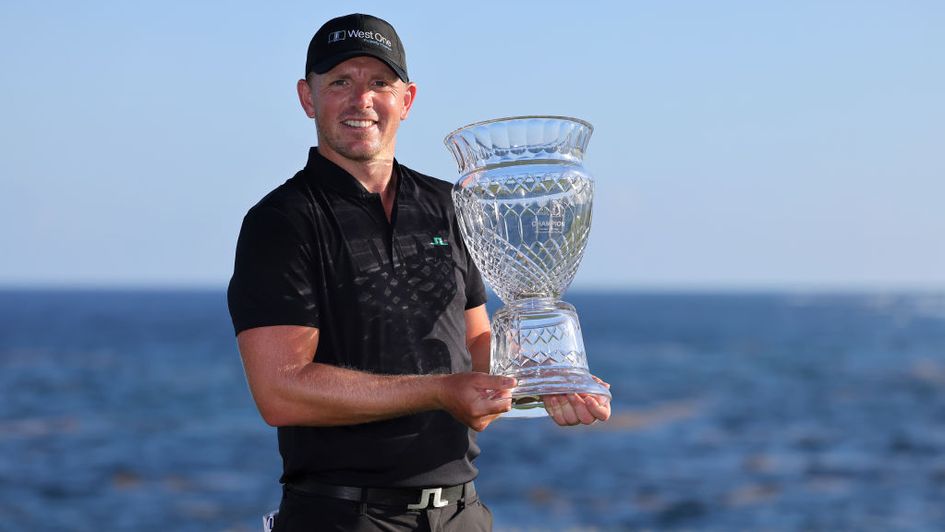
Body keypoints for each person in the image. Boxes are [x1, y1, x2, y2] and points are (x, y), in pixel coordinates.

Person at [227, 13, 611, 531]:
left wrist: (545, 380)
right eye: (340, 81)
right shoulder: (281, 221)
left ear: (406, 100)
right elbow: (281, 390)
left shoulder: (451, 205)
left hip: (461, 513)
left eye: (379, 83)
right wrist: (440, 391)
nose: (361, 99)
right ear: (307, 97)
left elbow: (477, 343)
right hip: (343, 516)